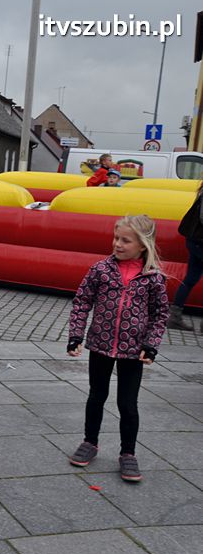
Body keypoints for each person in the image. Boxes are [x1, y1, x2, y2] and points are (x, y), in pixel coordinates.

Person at [66, 215, 169, 482]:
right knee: (96, 396)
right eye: (116, 238)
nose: (118, 244)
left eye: (126, 240)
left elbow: (160, 315)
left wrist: (151, 345)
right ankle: (90, 442)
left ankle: (128, 454)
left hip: (134, 351)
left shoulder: (153, 278)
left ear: (143, 245)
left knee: (128, 404)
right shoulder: (100, 269)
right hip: (100, 345)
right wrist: (76, 336)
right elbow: (81, 302)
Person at [168, 176, 203, 332]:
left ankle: (175, 317)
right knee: (190, 279)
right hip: (200, 242)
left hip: (195, 240)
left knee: (190, 279)